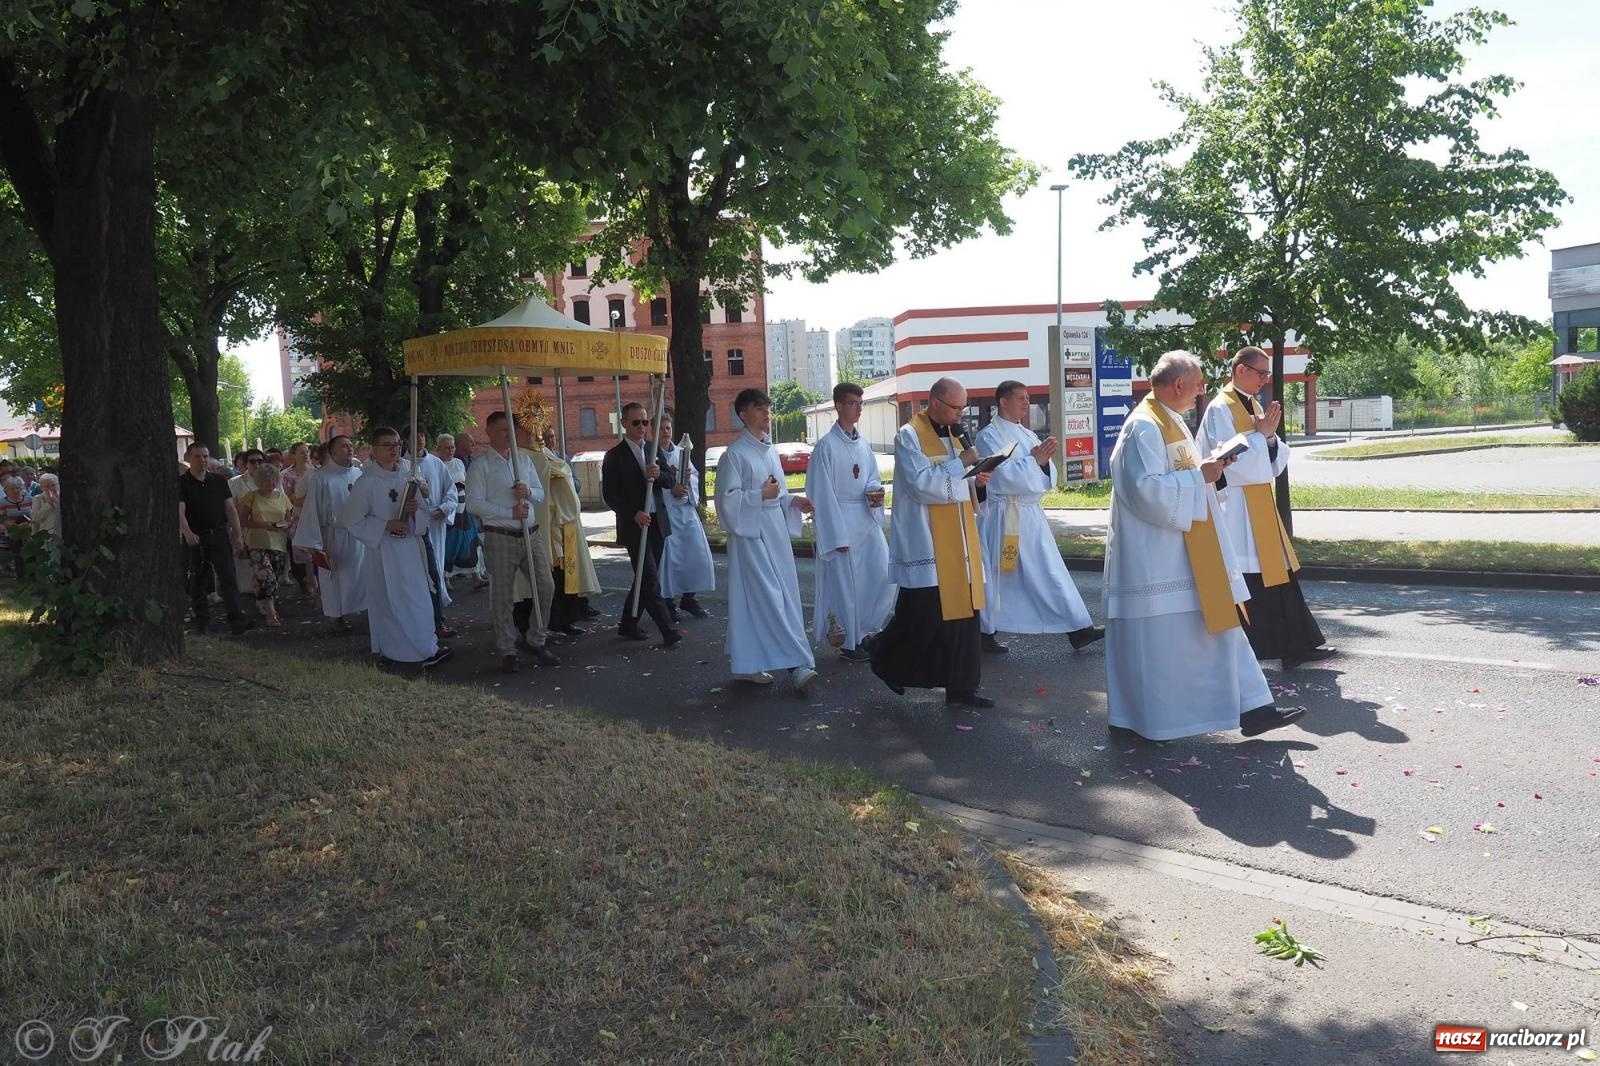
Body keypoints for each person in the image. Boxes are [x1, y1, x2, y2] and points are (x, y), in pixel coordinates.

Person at [1103, 351, 1301, 740]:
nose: (1201, 392)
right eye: (1198, 384)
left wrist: (1212, 470)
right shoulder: (1143, 427)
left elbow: (1183, 477)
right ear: (1178, 384)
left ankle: (1255, 708)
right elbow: (1142, 491)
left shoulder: (1170, 420)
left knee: (1222, 628)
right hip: (1159, 559)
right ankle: (1140, 719)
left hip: (1189, 550)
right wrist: (1201, 477)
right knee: (1165, 646)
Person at [1197, 347, 1336, 670]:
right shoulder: (1221, 408)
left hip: (1258, 505)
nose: (1265, 379)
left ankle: (1297, 645)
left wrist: (1269, 440)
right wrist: (1261, 438)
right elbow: (1227, 463)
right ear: (1241, 370)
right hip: (1236, 510)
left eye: (1267, 374)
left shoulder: (1254, 404)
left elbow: (1269, 458)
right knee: (1251, 581)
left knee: (1279, 577)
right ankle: (1255, 650)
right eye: (1261, 373)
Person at [870, 377, 995, 707]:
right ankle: (884, 660)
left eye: (963, 407)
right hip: (926, 540)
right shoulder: (909, 435)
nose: (961, 414)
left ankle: (962, 688)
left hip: (960, 538)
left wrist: (978, 482)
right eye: (956, 407)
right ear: (936, 402)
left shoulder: (956, 436)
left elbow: (961, 483)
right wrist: (964, 463)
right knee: (923, 614)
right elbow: (922, 485)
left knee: (966, 617)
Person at [974, 380, 1103, 655]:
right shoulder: (989, 435)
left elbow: (1047, 476)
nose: (1026, 403)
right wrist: (1034, 461)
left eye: (1027, 397)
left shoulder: (1027, 435)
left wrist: (1041, 462)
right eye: (1020, 398)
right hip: (1004, 515)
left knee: (1048, 572)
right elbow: (1001, 476)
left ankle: (1078, 627)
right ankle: (984, 631)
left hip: (1029, 515)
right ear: (1003, 402)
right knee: (999, 577)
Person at [713, 389, 816, 690]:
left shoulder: (769, 450)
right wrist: (760, 496)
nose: (766, 413)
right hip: (751, 536)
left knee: (771, 598)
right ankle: (797, 664)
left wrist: (792, 501)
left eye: (767, 408)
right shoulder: (734, 455)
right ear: (743, 414)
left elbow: (777, 494)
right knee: (771, 598)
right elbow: (725, 501)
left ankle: (746, 662)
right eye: (759, 408)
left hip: (774, 532)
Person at [338, 427, 451, 668]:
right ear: (374, 450)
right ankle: (396, 653)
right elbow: (352, 520)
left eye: (397, 444)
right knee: (390, 600)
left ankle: (426, 647)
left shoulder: (409, 478)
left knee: (417, 599)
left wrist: (413, 513)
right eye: (387, 445)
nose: (393, 449)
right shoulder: (366, 483)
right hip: (384, 552)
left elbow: (423, 513)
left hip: (410, 548)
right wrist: (385, 525)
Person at [805, 382, 894, 662]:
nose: (859, 408)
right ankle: (849, 641)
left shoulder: (863, 445)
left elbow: (871, 478)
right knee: (847, 585)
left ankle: (866, 630)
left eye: (861, 403)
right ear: (839, 406)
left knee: (880, 575)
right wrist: (834, 536)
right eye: (853, 403)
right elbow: (821, 493)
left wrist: (875, 494)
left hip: (865, 520)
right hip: (841, 522)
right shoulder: (826, 447)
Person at [465, 411, 560, 672]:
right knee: (503, 596)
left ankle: (536, 638)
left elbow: (540, 493)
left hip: (531, 535)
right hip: (501, 536)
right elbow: (473, 504)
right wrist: (509, 512)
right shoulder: (481, 466)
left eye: (511, 430)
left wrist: (528, 492)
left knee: (546, 586)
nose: (510, 435)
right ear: (490, 432)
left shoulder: (524, 461)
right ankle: (507, 648)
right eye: (503, 430)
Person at [600, 401, 681, 646]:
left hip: (657, 522)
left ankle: (628, 623)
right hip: (635, 525)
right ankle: (668, 630)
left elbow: (669, 480)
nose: (642, 427)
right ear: (624, 424)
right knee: (649, 578)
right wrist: (633, 513)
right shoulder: (614, 456)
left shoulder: (653, 449)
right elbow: (610, 494)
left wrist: (658, 475)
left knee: (644, 579)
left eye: (645, 422)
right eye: (636, 422)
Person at [520, 422, 598, 639]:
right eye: (540, 433)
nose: (546, 439)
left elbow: (568, 477)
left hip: (563, 524)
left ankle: (567, 620)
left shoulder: (553, 456)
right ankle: (545, 623)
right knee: (546, 577)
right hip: (545, 523)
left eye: (551, 435)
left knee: (566, 575)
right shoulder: (523, 456)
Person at [291, 434, 366, 634]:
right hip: (333, 536)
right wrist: (315, 543)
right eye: (343, 446)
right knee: (334, 577)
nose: (349, 449)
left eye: (351, 445)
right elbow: (312, 510)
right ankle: (336, 617)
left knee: (362, 576)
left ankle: (366, 609)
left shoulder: (360, 474)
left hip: (360, 536)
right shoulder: (321, 477)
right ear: (332, 452)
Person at [176, 443, 252, 636]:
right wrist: (187, 533)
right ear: (189, 458)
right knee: (199, 580)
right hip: (196, 537)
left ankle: (236, 619)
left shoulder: (218, 481)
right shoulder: (181, 482)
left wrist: (237, 535)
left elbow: (230, 509)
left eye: (205, 456)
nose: (202, 460)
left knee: (227, 576)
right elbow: (180, 511)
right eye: (198, 456)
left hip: (218, 534)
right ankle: (202, 621)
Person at [656, 412, 714, 621]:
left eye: (668, 428)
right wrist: (670, 490)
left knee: (696, 556)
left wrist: (688, 484)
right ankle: (668, 602)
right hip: (668, 514)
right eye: (661, 428)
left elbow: (695, 477)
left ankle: (689, 598)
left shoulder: (682, 453)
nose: (666, 432)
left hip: (686, 513)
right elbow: (651, 485)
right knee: (671, 562)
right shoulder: (653, 455)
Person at [407, 428, 460, 640]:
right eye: (413, 436)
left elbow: (451, 492)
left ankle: (438, 618)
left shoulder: (436, 463)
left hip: (435, 524)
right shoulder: (402, 467)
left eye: (421, 435)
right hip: (412, 527)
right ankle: (419, 620)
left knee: (434, 569)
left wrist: (444, 509)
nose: (419, 439)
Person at [237, 460, 294, 628]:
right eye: (266, 480)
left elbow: (288, 518)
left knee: (273, 579)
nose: (270, 483)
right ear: (258, 481)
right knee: (265, 576)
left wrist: (285, 525)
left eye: (272, 480)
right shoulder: (251, 497)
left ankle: (263, 602)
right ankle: (271, 613)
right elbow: (242, 520)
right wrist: (261, 525)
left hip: (278, 543)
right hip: (257, 542)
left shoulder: (282, 497)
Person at [1, 475, 34, 580]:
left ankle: (32, 576)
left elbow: (35, 514)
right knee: (17, 555)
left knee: (31, 553)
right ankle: (21, 578)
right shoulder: (2, 502)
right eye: (12, 488)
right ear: (6, 490)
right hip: (13, 532)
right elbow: (2, 518)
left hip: (29, 530)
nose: (15, 491)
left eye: (18, 488)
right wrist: (12, 525)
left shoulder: (29, 499)